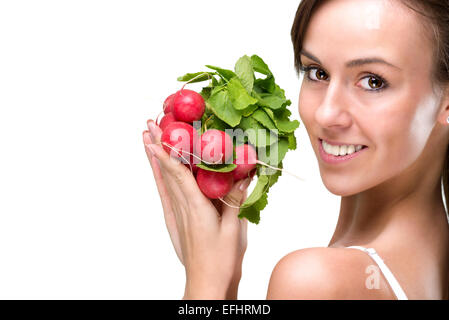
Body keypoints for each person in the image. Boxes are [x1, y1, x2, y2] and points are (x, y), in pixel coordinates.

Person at [142, 0, 449, 299]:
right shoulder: (432, 259)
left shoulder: (315, 282)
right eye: (317, 72)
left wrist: (205, 284)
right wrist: (225, 280)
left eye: (373, 81)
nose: (325, 114)